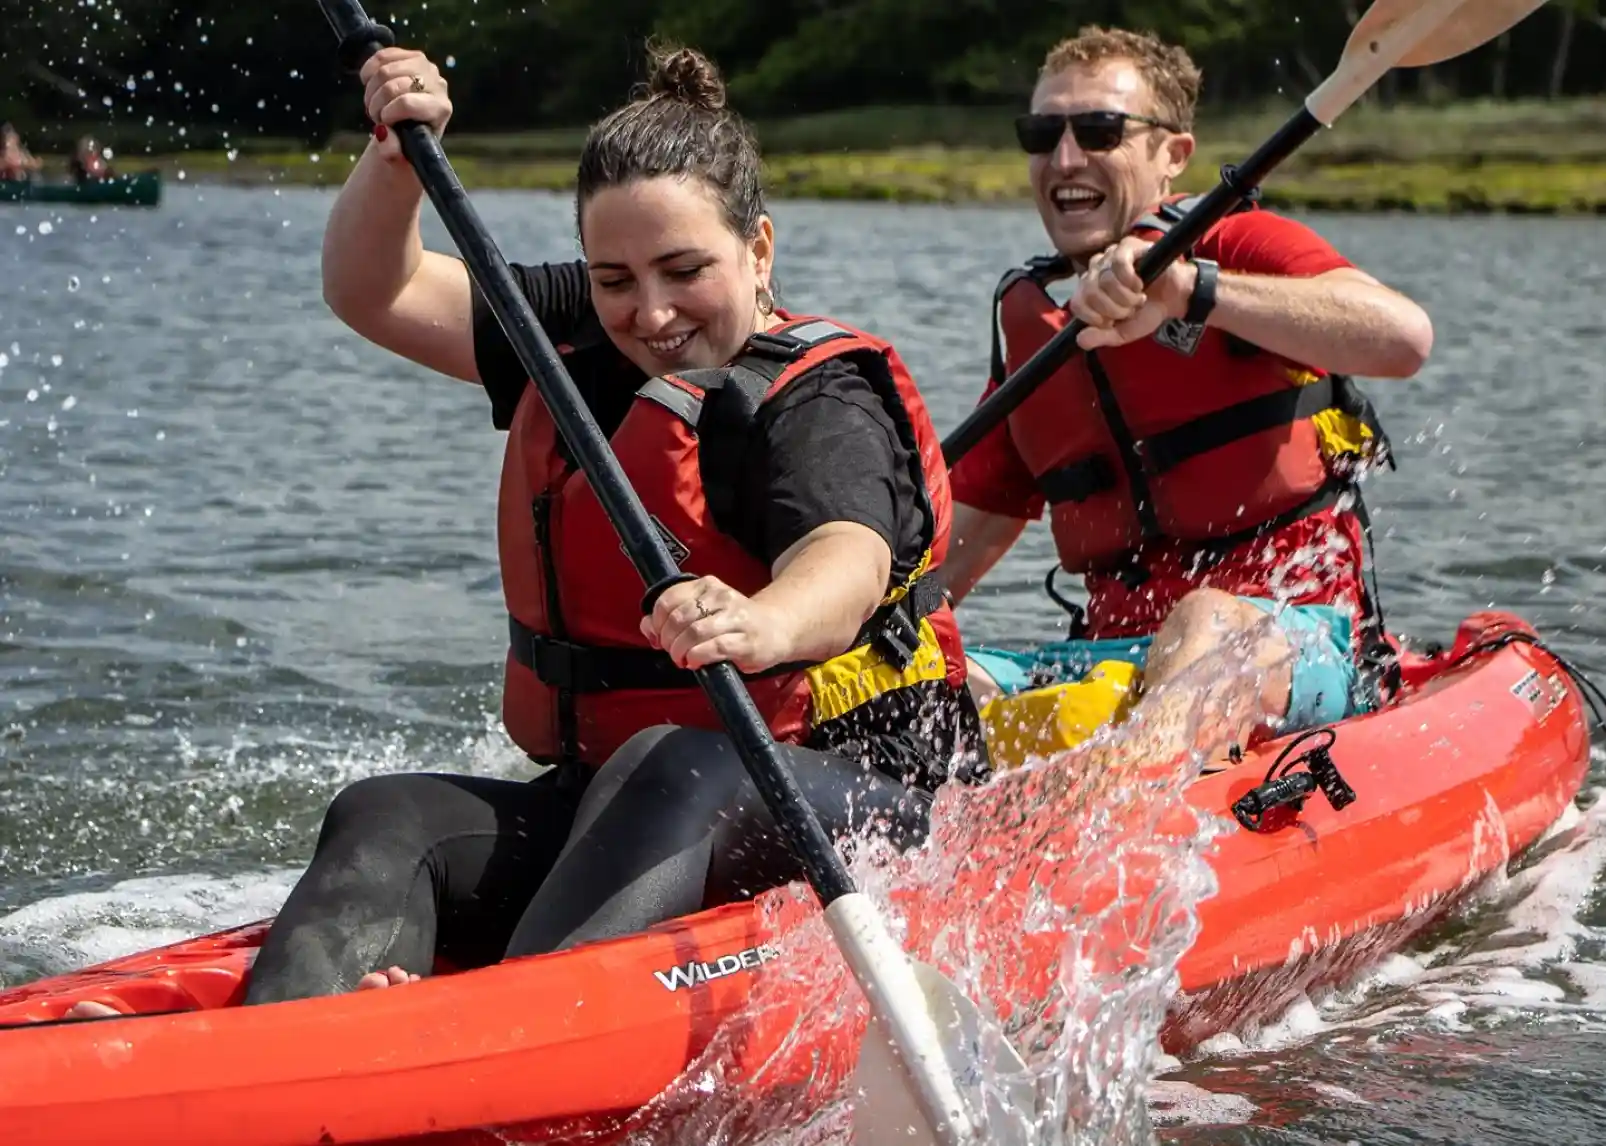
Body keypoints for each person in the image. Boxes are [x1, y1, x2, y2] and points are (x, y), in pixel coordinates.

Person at [173, 41, 978, 1007]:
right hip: (636, 801)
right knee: (389, 813)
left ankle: (497, 1033)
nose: (651, 311)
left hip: (861, 804)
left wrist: (761, 622)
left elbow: (844, 556)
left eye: (686, 270)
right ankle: (285, 1039)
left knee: (673, 764)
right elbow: (372, 290)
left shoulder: (821, 401)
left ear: (759, 249)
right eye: (615, 278)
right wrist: (393, 157)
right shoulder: (579, 329)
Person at [943, 27, 1435, 756]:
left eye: (1100, 130)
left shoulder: (1235, 245)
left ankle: (1131, 811)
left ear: (1172, 155)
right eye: (1043, 133)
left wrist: (1189, 291)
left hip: (1300, 638)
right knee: (944, 684)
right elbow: (953, 552)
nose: (1066, 157)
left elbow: (1404, 337)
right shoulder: (1032, 323)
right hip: (1113, 653)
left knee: (1203, 620)